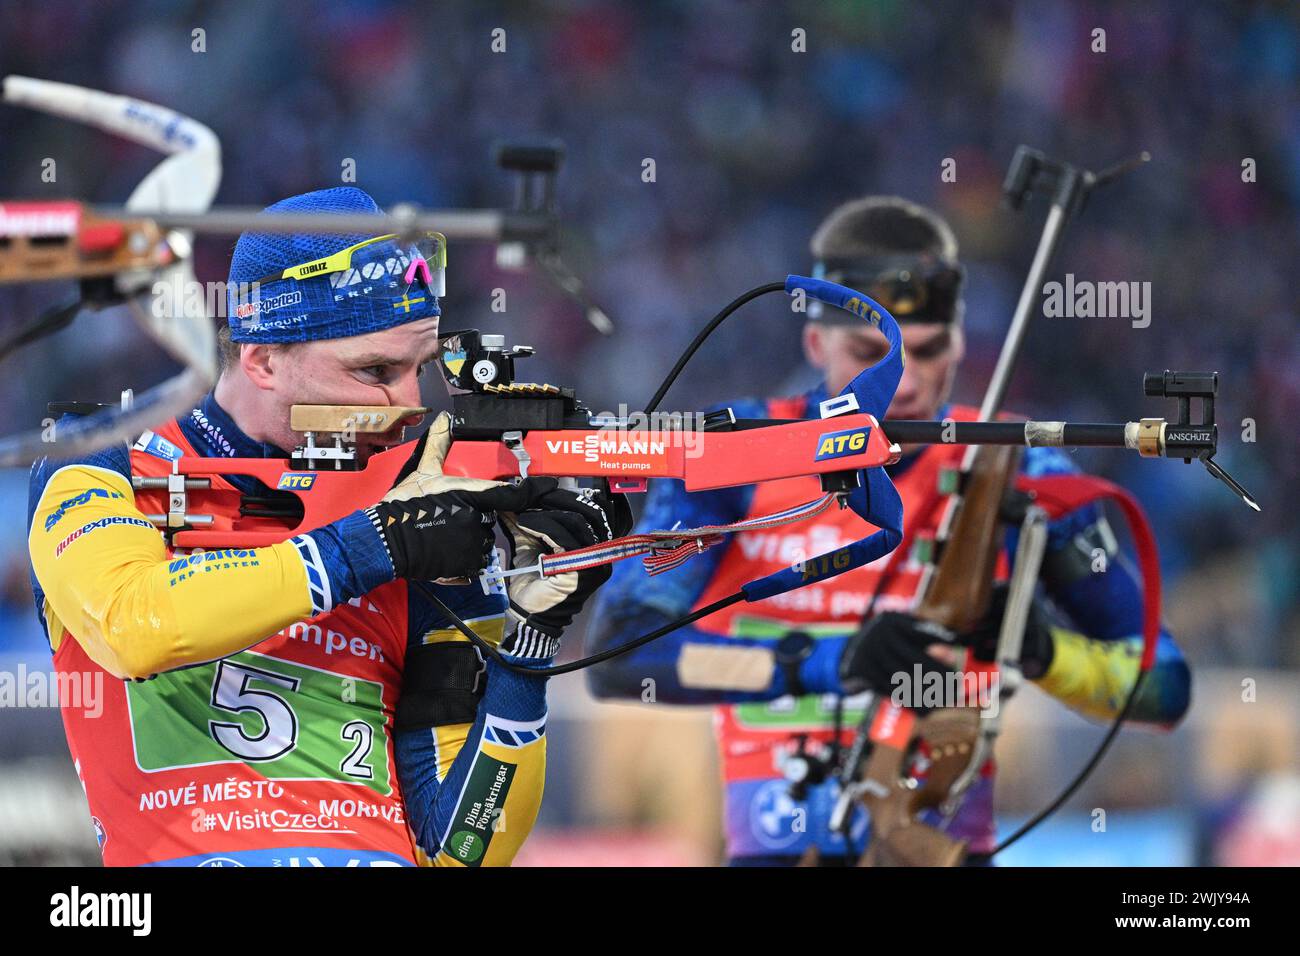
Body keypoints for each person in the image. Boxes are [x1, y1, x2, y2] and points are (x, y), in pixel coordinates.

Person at [27, 187, 624, 867]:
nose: (408, 405)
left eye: (419, 369)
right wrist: (373, 544)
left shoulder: (419, 496)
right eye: (374, 371)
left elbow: (461, 851)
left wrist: (529, 643)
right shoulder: (104, 453)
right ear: (263, 359)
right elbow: (134, 626)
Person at [586, 196, 1192, 865]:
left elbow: (1164, 686)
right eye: (871, 355)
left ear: (960, 343)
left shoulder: (1023, 465)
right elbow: (622, 653)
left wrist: (1044, 651)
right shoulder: (733, 454)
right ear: (815, 343)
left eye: (927, 352)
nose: (901, 386)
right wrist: (824, 665)